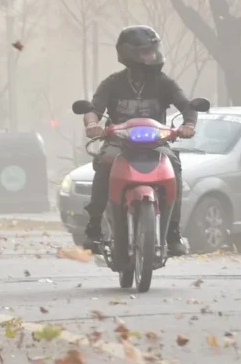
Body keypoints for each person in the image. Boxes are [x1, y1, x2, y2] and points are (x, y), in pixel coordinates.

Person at [81, 25, 198, 256]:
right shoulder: (112, 83)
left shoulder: (163, 82)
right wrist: (92, 125)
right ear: (129, 54)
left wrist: (189, 125)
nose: (152, 56)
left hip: (156, 144)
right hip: (119, 143)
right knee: (105, 162)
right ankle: (93, 228)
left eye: (153, 50)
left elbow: (187, 106)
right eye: (146, 52)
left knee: (174, 165)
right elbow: (93, 110)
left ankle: (173, 233)